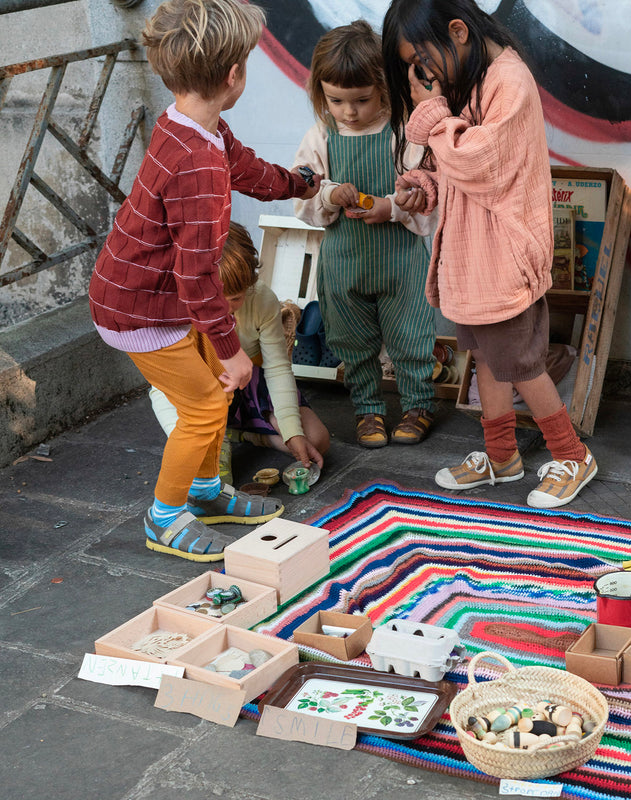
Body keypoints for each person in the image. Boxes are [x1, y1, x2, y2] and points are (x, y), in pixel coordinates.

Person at [88, 0, 321, 561]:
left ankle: (206, 491)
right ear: (233, 74)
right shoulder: (195, 165)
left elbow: (244, 166)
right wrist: (232, 352)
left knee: (216, 395)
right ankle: (165, 518)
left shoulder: (194, 124)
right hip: (142, 310)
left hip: (149, 295)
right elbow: (196, 278)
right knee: (201, 407)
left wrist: (298, 183)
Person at [381, 0, 597, 508]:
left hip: (502, 255)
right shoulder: (471, 81)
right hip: (471, 258)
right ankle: (501, 455)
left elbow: (481, 162)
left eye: (423, 63)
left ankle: (572, 454)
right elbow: (455, 168)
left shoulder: (510, 83)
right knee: (485, 356)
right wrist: (425, 185)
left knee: (521, 362)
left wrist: (431, 115)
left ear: (458, 32)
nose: (423, 78)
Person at [293, 20, 437, 449]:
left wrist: (391, 206)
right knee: (350, 340)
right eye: (336, 100)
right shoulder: (320, 137)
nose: (349, 112)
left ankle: (418, 403)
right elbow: (302, 198)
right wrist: (331, 194)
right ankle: (368, 409)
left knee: (412, 334)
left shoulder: (403, 133)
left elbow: (428, 195)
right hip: (344, 265)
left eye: (361, 100)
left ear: (384, 88)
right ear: (321, 93)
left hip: (401, 263)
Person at [149, 221, 330, 481]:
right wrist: (193, 440)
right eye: (218, 300)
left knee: (316, 441)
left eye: (236, 298)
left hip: (251, 384)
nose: (228, 309)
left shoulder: (262, 299)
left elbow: (277, 368)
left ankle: (247, 434)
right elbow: (162, 388)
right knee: (211, 474)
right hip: (200, 394)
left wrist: (292, 432)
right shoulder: (174, 307)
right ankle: (224, 435)